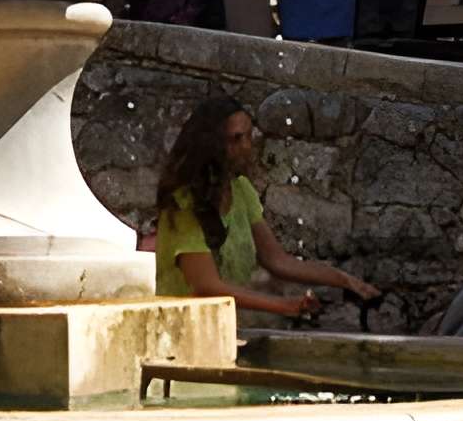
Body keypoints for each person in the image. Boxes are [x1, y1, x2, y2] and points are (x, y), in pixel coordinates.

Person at [150, 96, 374, 319]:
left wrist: (345, 280)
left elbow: (277, 260)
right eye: (236, 139)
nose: (246, 146)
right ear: (210, 145)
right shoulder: (181, 203)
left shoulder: (241, 190)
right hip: (179, 327)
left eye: (249, 136)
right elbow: (206, 287)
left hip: (222, 327)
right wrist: (285, 306)